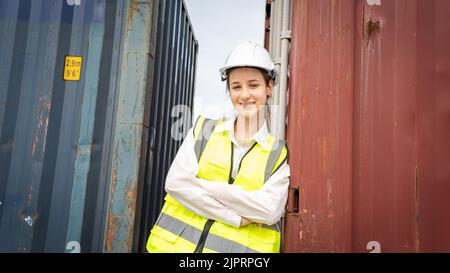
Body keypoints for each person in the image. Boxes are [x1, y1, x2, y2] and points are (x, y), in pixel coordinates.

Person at [146, 41, 290, 253]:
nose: (244, 95)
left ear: (268, 87)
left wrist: (204, 186)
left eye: (253, 85)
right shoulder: (203, 130)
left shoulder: (276, 153)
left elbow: (269, 211)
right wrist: (234, 217)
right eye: (236, 87)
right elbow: (176, 184)